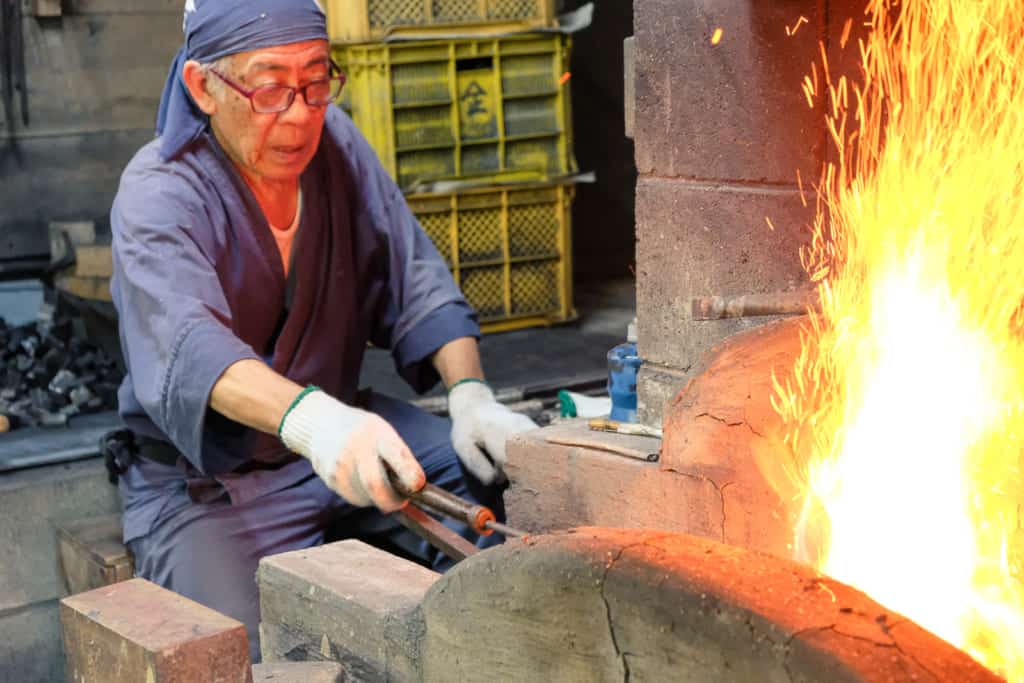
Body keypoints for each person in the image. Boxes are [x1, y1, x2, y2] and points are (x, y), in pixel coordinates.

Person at [107, 0, 537, 661]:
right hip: (211, 485)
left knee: (509, 498)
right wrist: (315, 423)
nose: (302, 113)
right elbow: (193, 350)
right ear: (203, 86)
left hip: (335, 437)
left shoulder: (335, 144)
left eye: (315, 79)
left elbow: (412, 272)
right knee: (239, 657)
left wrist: (469, 393)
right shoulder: (160, 192)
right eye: (272, 85)